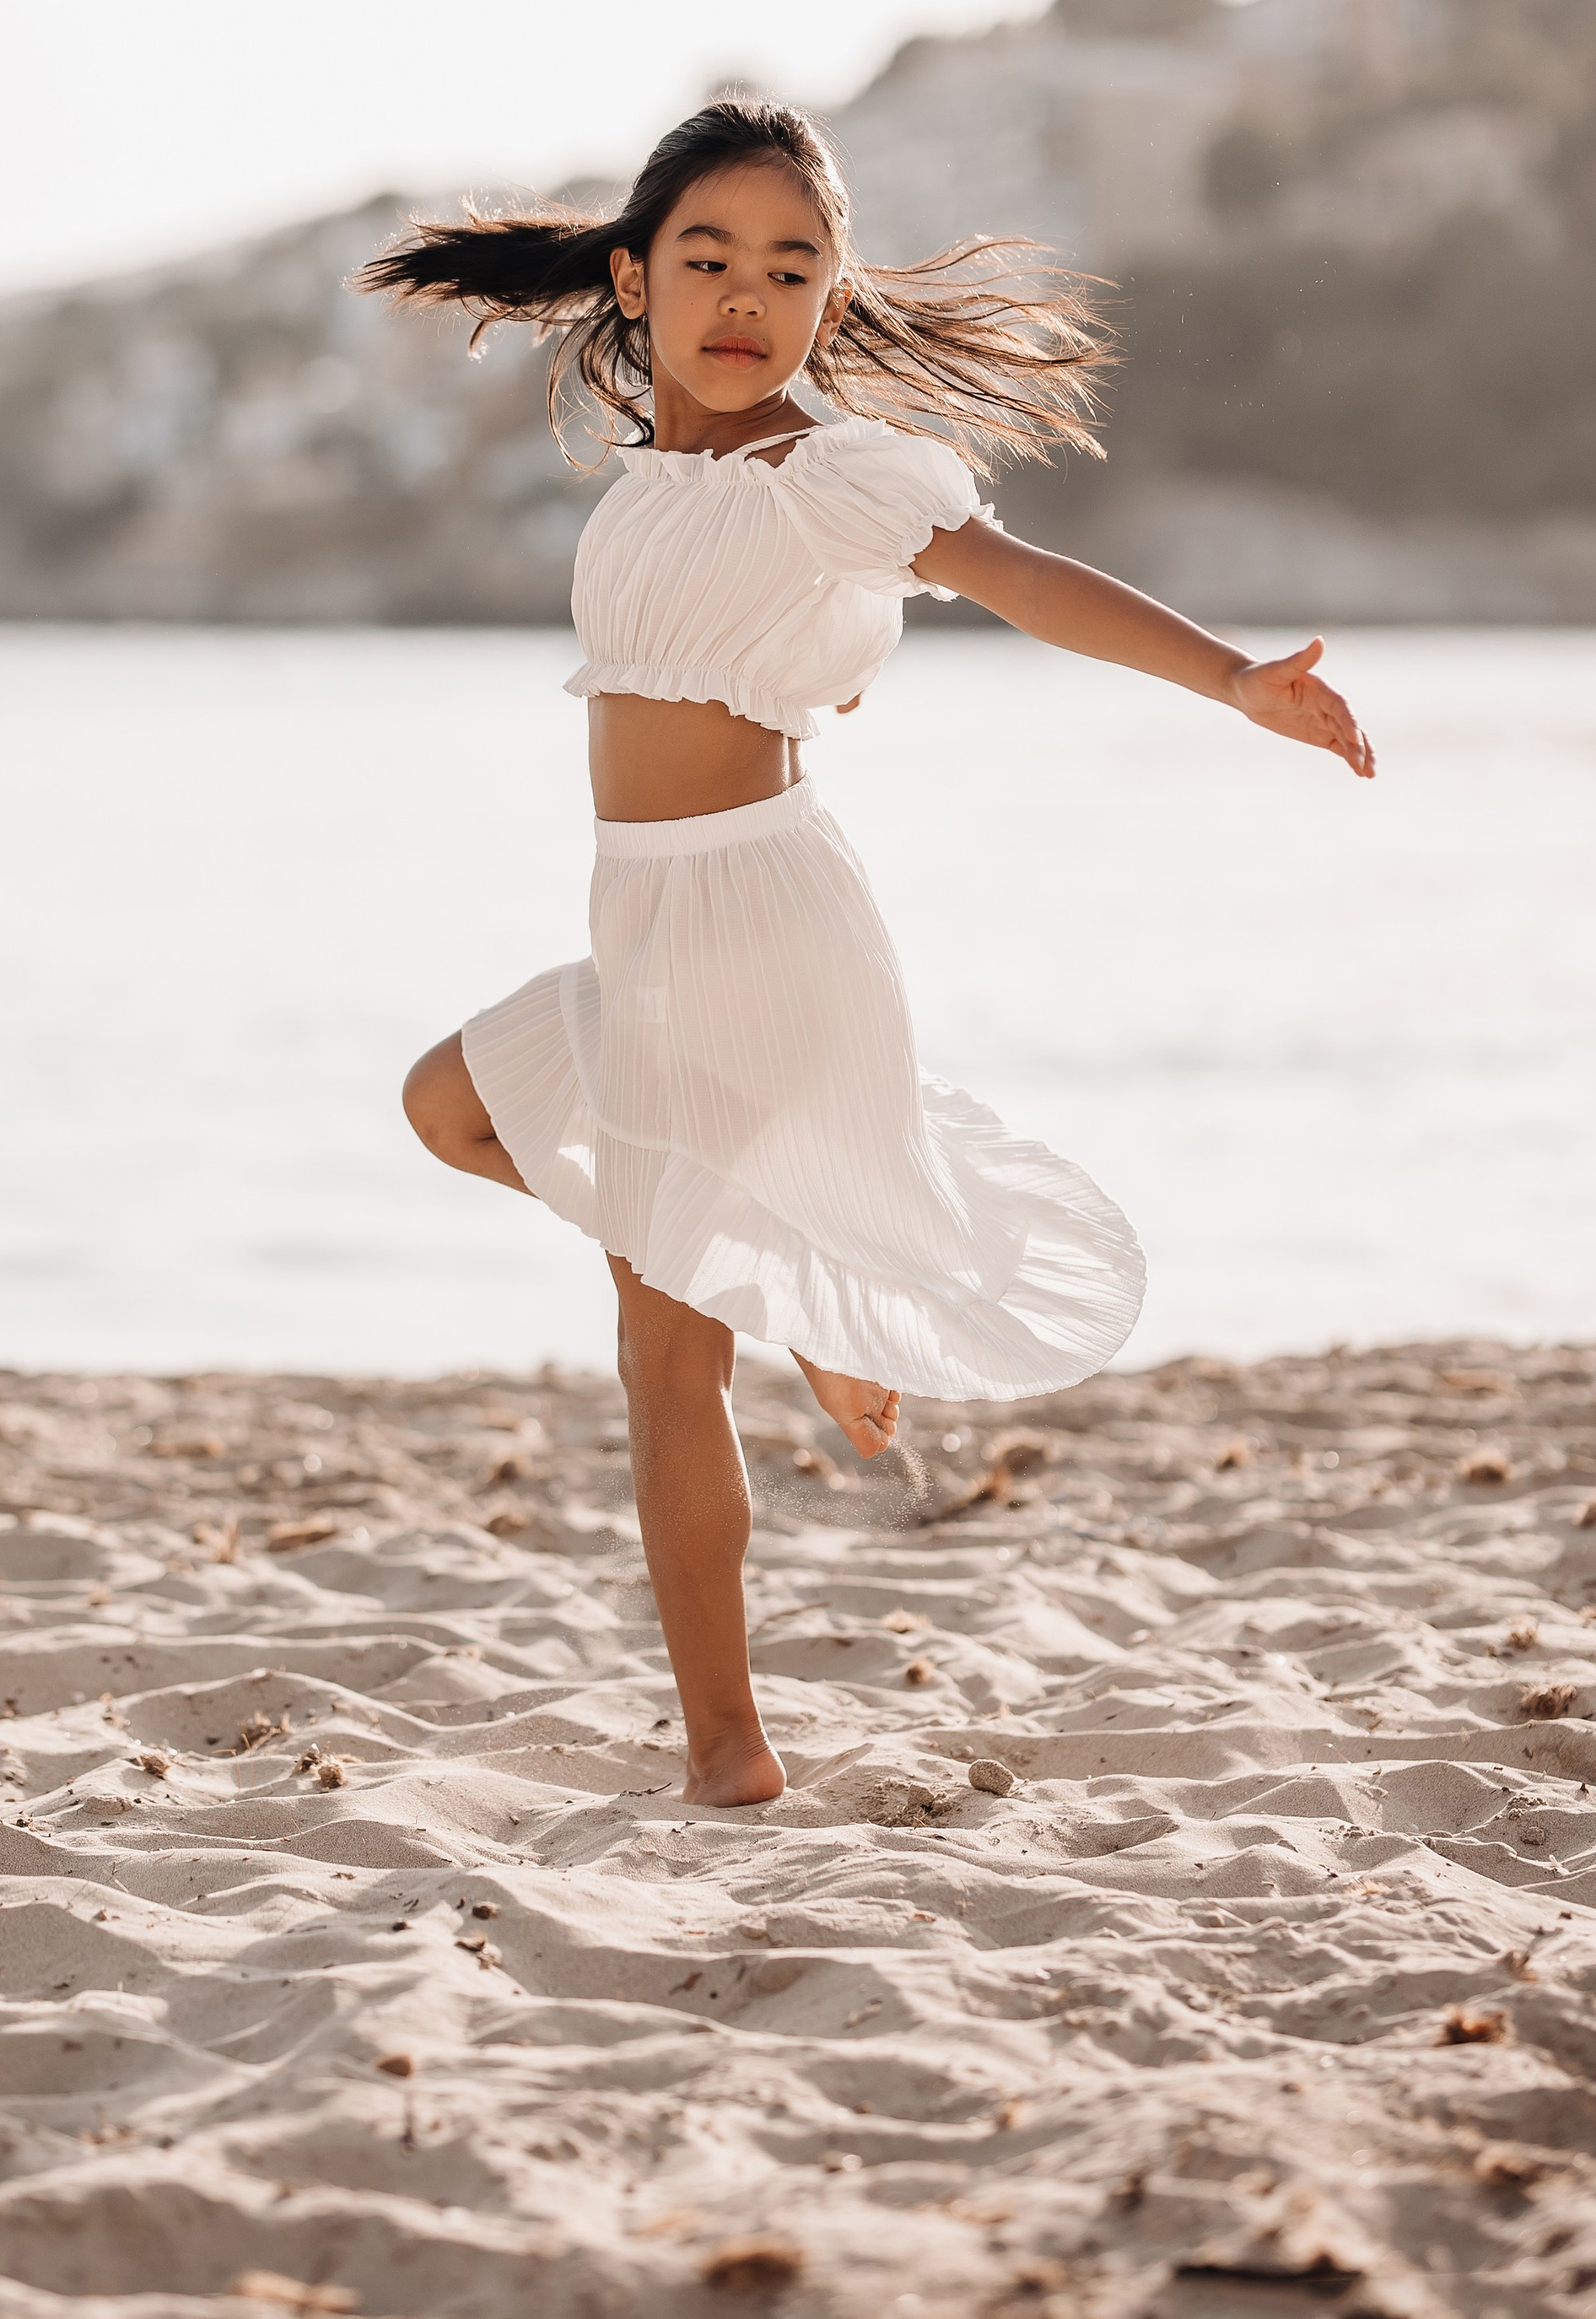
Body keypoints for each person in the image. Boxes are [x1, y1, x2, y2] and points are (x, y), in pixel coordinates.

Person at [356, 95, 1372, 1808]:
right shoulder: (664, 477)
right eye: (707, 258)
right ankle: (772, 1267)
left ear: (831, 297)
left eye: (790, 266)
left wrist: (1229, 679)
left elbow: (1023, 579)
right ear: (633, 277)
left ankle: (727, 1754)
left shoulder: (825, 473)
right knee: (447, 1109)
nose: (745, 296)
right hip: (651, 921)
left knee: (661, 1358)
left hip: (753, 925)